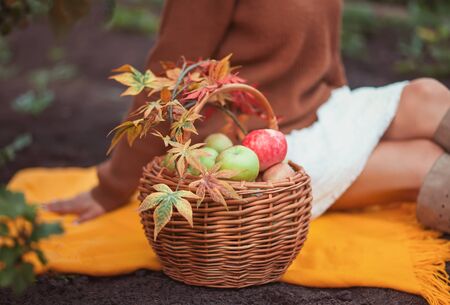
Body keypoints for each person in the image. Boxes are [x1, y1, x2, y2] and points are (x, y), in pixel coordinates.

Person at [45, 0, 450, 233]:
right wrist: (112, 187)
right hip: (254, 149)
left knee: (427, 95)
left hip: (322, 107)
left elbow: (327, 55)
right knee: (426, 163)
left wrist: (357, 118)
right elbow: (166, 78)